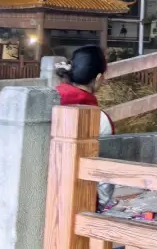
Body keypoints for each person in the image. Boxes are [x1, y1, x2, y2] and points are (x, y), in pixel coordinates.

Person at [56, 45, 116, 212]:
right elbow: (105, 175)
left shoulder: (48, 102)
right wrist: (97, 206)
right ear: (98, 78)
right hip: (78, 203)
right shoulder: (99, 118)